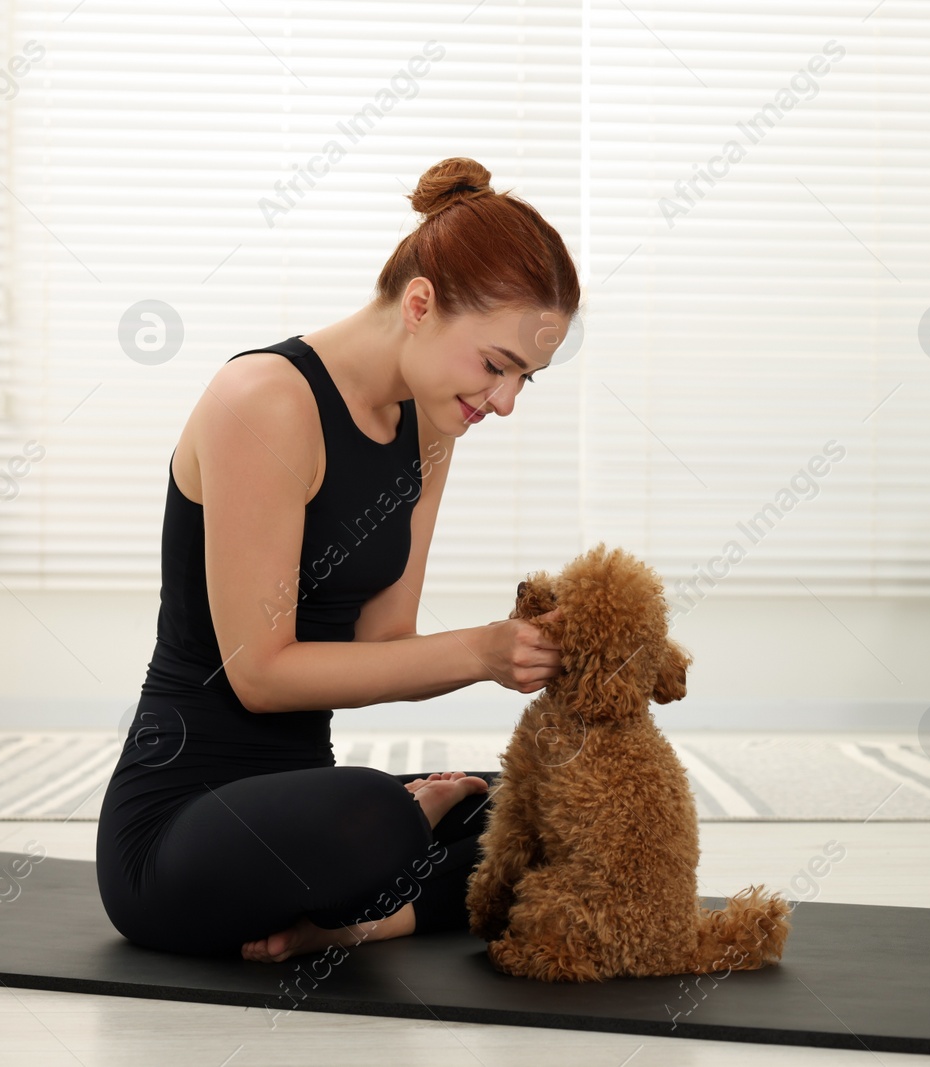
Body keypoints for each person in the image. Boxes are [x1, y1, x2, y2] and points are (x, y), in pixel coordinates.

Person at [95, 157, 581, 962]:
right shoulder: (264, 399)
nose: (504, 402)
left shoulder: (430, 422)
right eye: (497, 365)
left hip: (302, 803)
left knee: (560, 800)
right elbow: (261, 673)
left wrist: (518, 645)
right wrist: (481, 652)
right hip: (180, 822)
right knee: (373, 816)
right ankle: (393, 849)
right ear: (420, 304)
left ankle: (357, 918)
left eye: (525, 379)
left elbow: (383, 647)